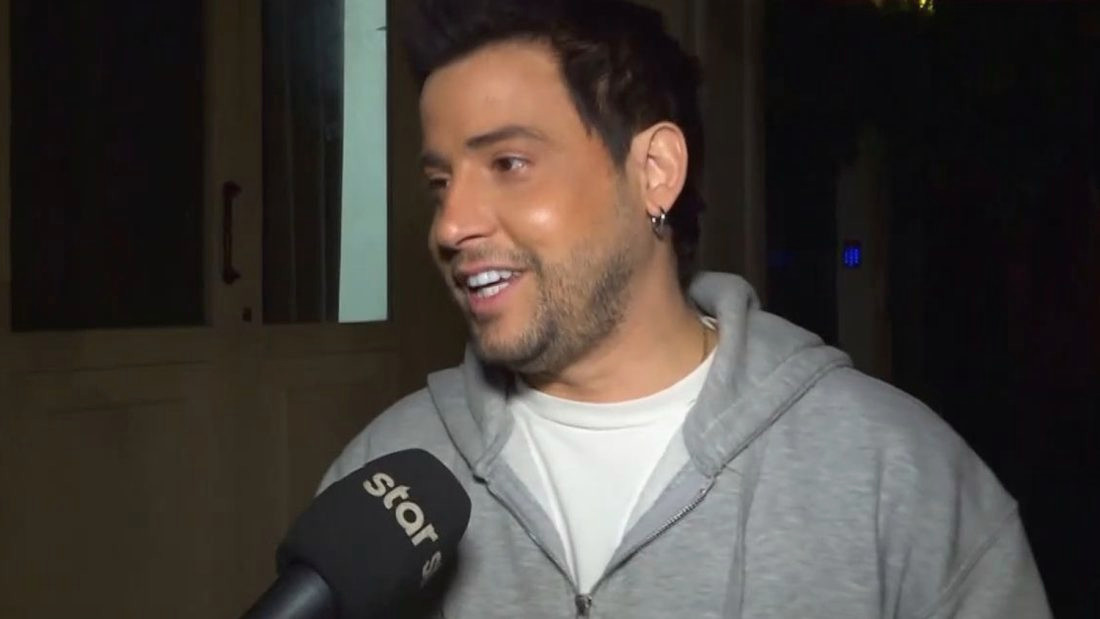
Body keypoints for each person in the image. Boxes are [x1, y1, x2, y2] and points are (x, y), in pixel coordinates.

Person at [320, 0, 1052, 616]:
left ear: (655, 171)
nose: (451, 225)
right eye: (441, 184)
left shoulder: (901, 480)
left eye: (509, 164)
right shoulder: (385, 480)